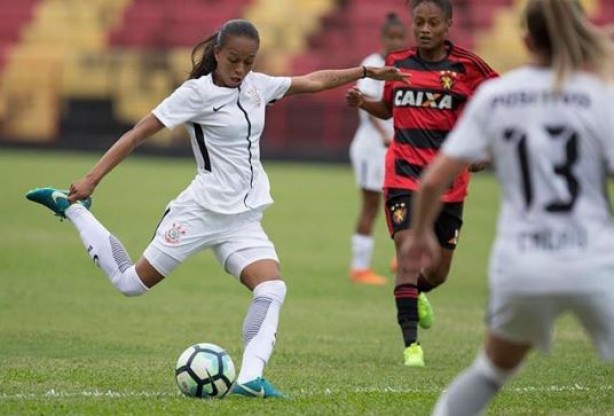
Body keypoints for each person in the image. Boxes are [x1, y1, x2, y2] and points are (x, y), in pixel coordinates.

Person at [25, 19, 407, 398]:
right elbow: (137, 133)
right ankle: (73, 210)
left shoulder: (258, 87)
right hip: (200, 212)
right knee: (130, 284)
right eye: (233, 61)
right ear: (218, 54)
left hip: (242, 219)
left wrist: (365, 71)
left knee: (272, 288)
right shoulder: (195, 93)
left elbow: (314, 80)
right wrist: (92, 179)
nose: (240, 70)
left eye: (249, 62)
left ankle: (250, 379)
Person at [400, 0, 614, 414]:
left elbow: (432, 180)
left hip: (521, 265)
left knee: (490, 372)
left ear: (526, 41)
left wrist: (420, 235)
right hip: (594, 260)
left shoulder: (497, 96)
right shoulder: (599, 96)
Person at [346, 0, 497, 367]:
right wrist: (364, 102)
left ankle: (417, 293)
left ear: (448, 24)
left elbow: (503, 107)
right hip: (403, 175)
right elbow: (388, 109)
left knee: (439, 272)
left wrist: (487, 152)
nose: (425, 29)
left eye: (433, 22)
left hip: (449, 180)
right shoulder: (397, 63)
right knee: (408, 255)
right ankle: (411, 347)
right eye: (420, 22)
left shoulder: (469, 67)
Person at [349, 12, 408, 286]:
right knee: (371, 205)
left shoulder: (405, 65)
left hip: (395, 144)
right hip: (371, 146)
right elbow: (367, 102)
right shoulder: (373, 65)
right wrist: (385, 133)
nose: (396, 42)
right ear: (382, 38)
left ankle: (402, 256)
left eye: (400, 37)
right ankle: (359, 267)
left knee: (403, 200)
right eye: (391, 37)